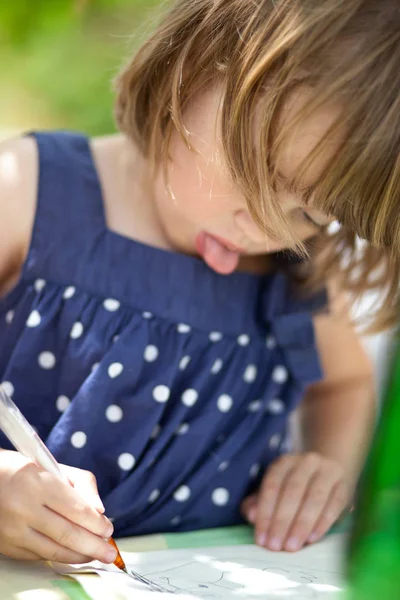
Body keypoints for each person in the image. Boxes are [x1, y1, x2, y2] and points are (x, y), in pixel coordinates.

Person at [0, 0, 398, 566]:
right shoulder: (29, 195)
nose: (266, 226)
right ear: (193, 65)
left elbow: (345, 385)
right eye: (256, 168)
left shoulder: (296, 271)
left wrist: (326, 465)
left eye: (308, 212)